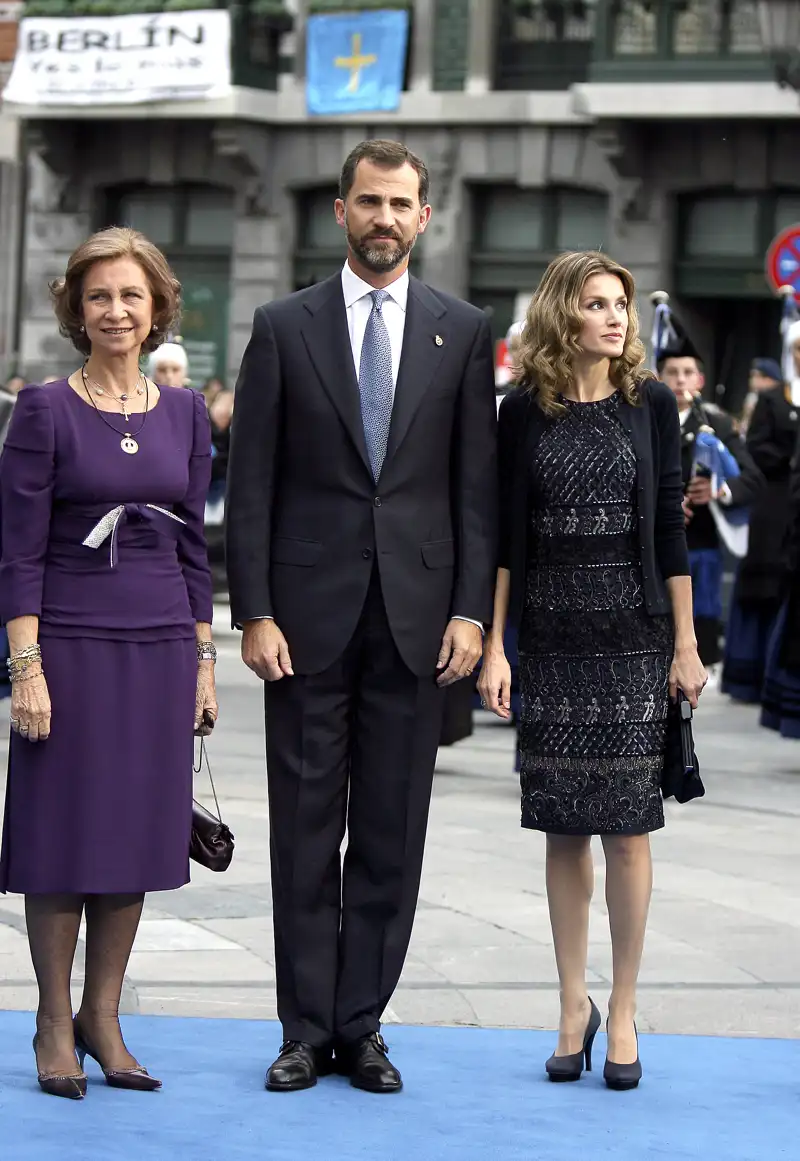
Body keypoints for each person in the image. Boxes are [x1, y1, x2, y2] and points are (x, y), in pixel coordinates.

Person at [226, 138, 497, 1095]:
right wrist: (251, 610)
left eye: (403, 204)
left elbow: (475, 489)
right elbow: (248, 483)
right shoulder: (281, 326)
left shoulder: (462, 331)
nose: (386, 219)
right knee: (303, 829)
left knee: (393, 826)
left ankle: (363, 1025)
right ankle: (303, 1028)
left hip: (420, 622)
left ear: (427, 218)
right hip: (301, 622)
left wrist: (472, 609)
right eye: (370, 201)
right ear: (340, 210)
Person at [479, 250, 706, 1091]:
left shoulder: (651, 404)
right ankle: (572, 1004)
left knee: (628, 824)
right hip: (552, 639)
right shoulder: (521, 413)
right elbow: (506, 541)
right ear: (560, 316)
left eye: (622, 304)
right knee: (562, 821)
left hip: (635, 639)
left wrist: (685, 643)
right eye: (598, 304)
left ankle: (627, 1004)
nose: (616, 318)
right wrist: (497, 644)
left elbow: (671, 533)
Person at [0, 227, 217, 1099]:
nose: (117, 311)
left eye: (131, 295)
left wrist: (204, 662)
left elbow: (195, 548)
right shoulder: (45, 410)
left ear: (158, 306)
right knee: (60, 840)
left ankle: (104, 1015)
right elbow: (15, 551)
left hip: (160, 646)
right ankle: (54, 1021)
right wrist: (27, 665)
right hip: (72, 648)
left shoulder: (186, 412)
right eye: (99, 297)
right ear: (77, 311)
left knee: (130, 839)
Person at [657, 336, 763, 672]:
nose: (680, 379)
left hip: (699, 548)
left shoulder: (715, 423)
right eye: (672, 372)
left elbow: (752, 479)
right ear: (659, 378)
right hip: (653, 549)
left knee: (694, 643)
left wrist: (718, 491)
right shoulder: (646, 419)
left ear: (700, 380)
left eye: (688, 372)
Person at [722, 356, 798, 701]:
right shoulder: (773, 401)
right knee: (766, 587)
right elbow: (756, 451)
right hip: (776, 501)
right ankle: (753, 675)